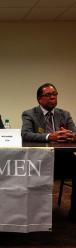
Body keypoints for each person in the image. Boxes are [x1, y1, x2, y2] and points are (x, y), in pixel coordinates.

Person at [21, 83, 76, 222]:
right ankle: (32, 213)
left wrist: (71, 135)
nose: (53, 97)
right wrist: (50, 137)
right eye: (49, 95)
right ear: (40, 99)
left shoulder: (64, 114)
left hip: (63, 160)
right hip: (38, 161)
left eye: (55, 94)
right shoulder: (30, 114)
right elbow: (26, 134)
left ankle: (74, 212)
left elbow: (75, 133)